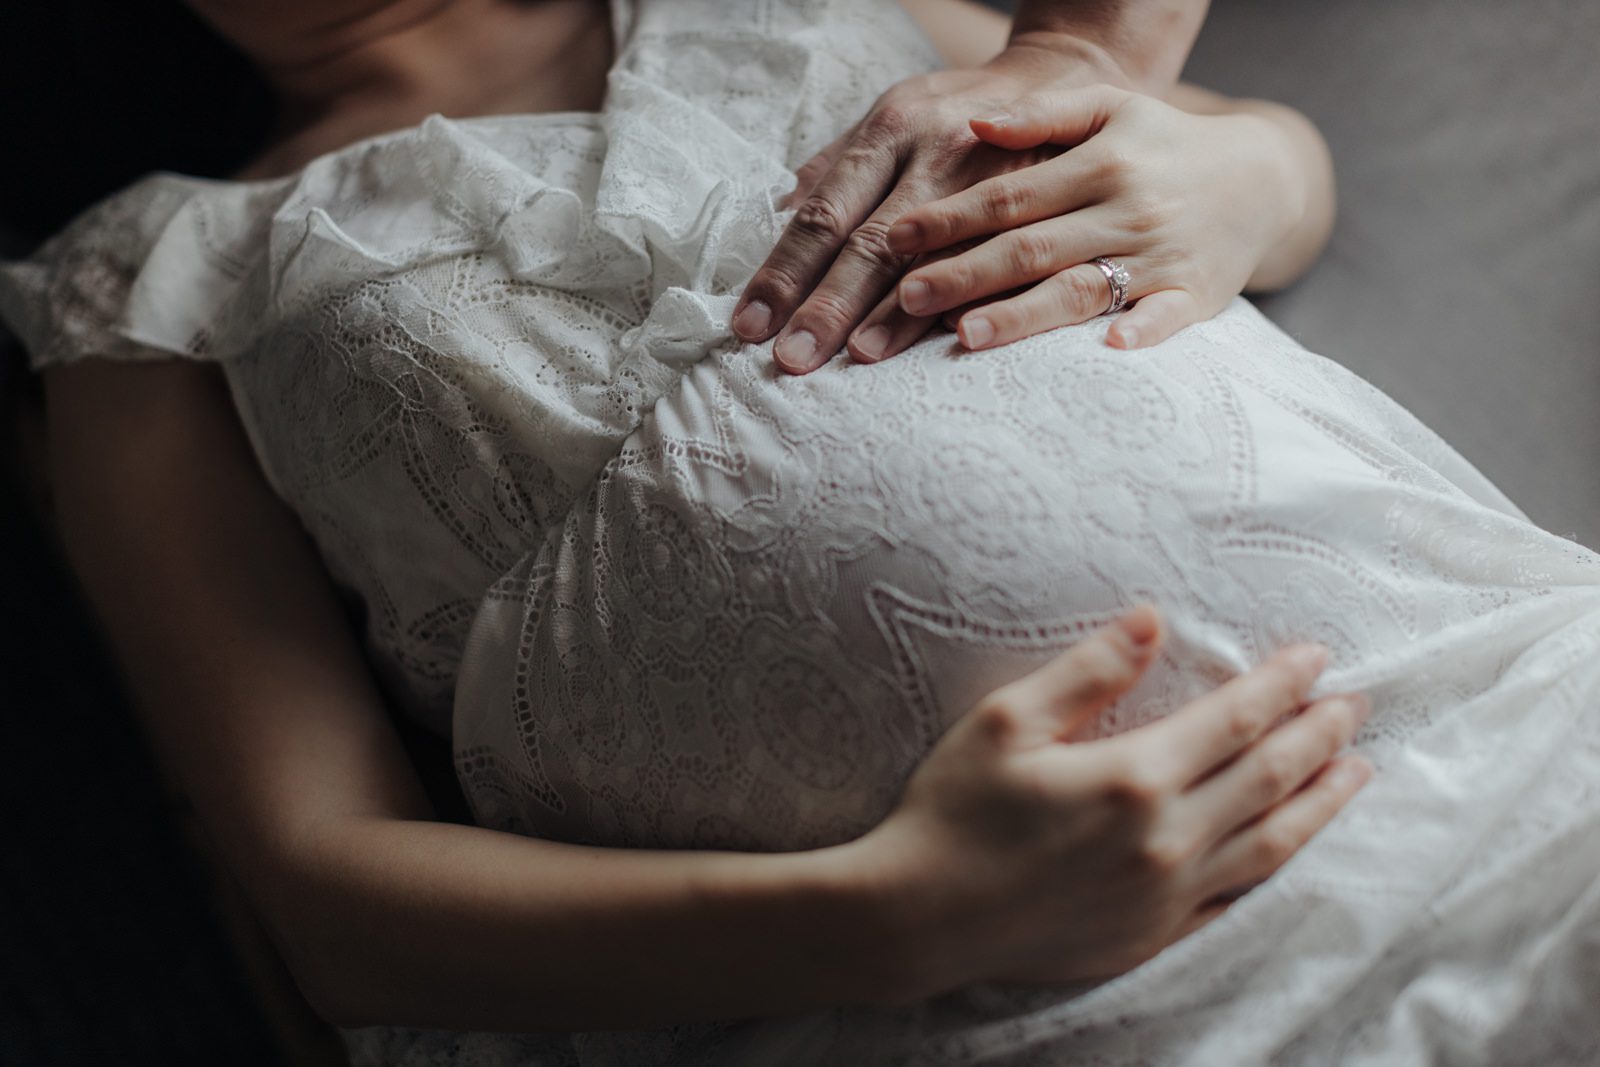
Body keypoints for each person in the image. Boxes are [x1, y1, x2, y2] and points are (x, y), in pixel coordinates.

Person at [5, 1, 1599, 1064]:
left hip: (1507, 734)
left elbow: (1265, 155)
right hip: (1042, 998)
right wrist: (909, 909)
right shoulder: (151, 302)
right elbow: (328, 893)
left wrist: (1236, 176)